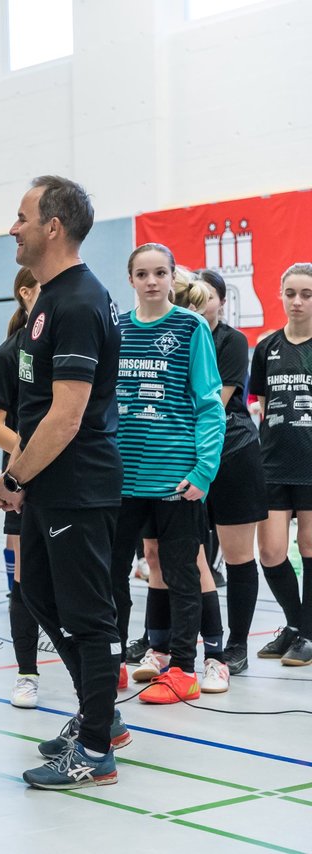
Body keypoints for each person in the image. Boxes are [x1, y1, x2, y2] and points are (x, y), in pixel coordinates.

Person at [0, 175, 128, 790]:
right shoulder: (47, 298)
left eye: (21, 217)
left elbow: (67, 414)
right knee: (39, 595)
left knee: (88, 616)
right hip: (50, 486)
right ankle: (98, 713)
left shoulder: (76, 301)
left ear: (53, 227)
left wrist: (14, 476)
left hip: (76, 484)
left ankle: (97, 748)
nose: (11, 228)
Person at [109, 245, 225, 704]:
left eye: (160, 272)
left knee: (181, 574)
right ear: (131, 279)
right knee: (113, 573)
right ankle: (113, 660)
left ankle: (182, 668)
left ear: (173, 276)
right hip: (121, 479)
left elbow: (210, 406)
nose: (152, 281)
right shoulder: (114, 329)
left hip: (176, 478)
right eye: (142, 273)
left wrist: (204, 470)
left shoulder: (191, 326)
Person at [196, 267, 267, 673]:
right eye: (193, 293)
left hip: (233, 453)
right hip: (184, 456)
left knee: (238, 557)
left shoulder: (231, 340)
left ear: (221, 300)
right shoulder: (177, 334)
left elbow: (214, 406)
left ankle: (236, 644)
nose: (200, 300)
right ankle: (188, 637)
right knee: (187, 555)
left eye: (208, 294)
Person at [0, 267, 46, 708]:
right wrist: (29, 450)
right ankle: (27, 674)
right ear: (26, 293)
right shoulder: (9, 354)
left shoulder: (67, 344)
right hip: (23, 478)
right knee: (23, 581)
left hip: (72, 480)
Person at [249, 263, 312, 666]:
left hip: (310, 467)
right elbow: (263, 403)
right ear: (280, 295)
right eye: (290, 293)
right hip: (272, 465)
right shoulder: (267, 346)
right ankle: (297, 625)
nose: (297, 301)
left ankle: (306, 635)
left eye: (306, 294)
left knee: (308, 548)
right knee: (271, 553)